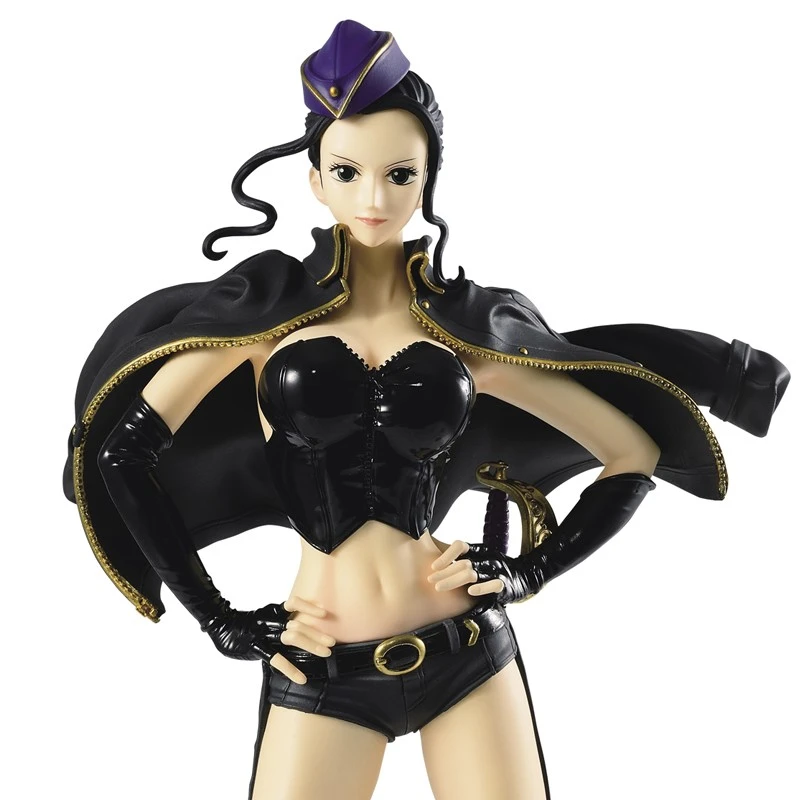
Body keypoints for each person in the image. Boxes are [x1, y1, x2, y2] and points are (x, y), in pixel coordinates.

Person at [62, 20, 790, 800]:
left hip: (466, 650)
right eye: (347, 172)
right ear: (315, 180)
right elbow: (120, 455)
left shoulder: (463, 336)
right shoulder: (263, 321)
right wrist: (219, 618)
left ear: (428, 177)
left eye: (399, 174)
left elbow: (632, 451)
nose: (374, 199)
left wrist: (529, 572)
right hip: (319, 663)